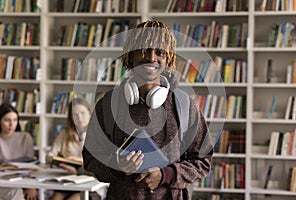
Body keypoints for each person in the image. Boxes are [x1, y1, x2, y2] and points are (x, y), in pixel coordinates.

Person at [82, 20, 213, 199]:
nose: (151, 58)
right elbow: (90, 160)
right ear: (131, 55)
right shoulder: (108, 104)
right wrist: (116, 165)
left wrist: (166, 175)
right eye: (144, 50)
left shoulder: (185, 105)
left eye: (159, 52)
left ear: (168, 58)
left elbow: (203, 161)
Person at [47, 98, 92, 200]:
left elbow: (100, 167)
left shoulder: (99, 135)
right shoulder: (65, 133)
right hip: (69, 181)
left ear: (90, 113)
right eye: (75, 115)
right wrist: (64, 160)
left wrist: (82, 142)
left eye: (83, 113)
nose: (79, 118)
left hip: (90, 183)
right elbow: (49, 156)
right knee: (55, 198)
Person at [0, 103, 38, 200]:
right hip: (3, 182)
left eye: (15, 120)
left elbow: (31, 166)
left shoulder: (25, 137)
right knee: (13, 192)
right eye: (7, 120)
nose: (11, 124)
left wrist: (31, 186)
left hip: (22, 180)